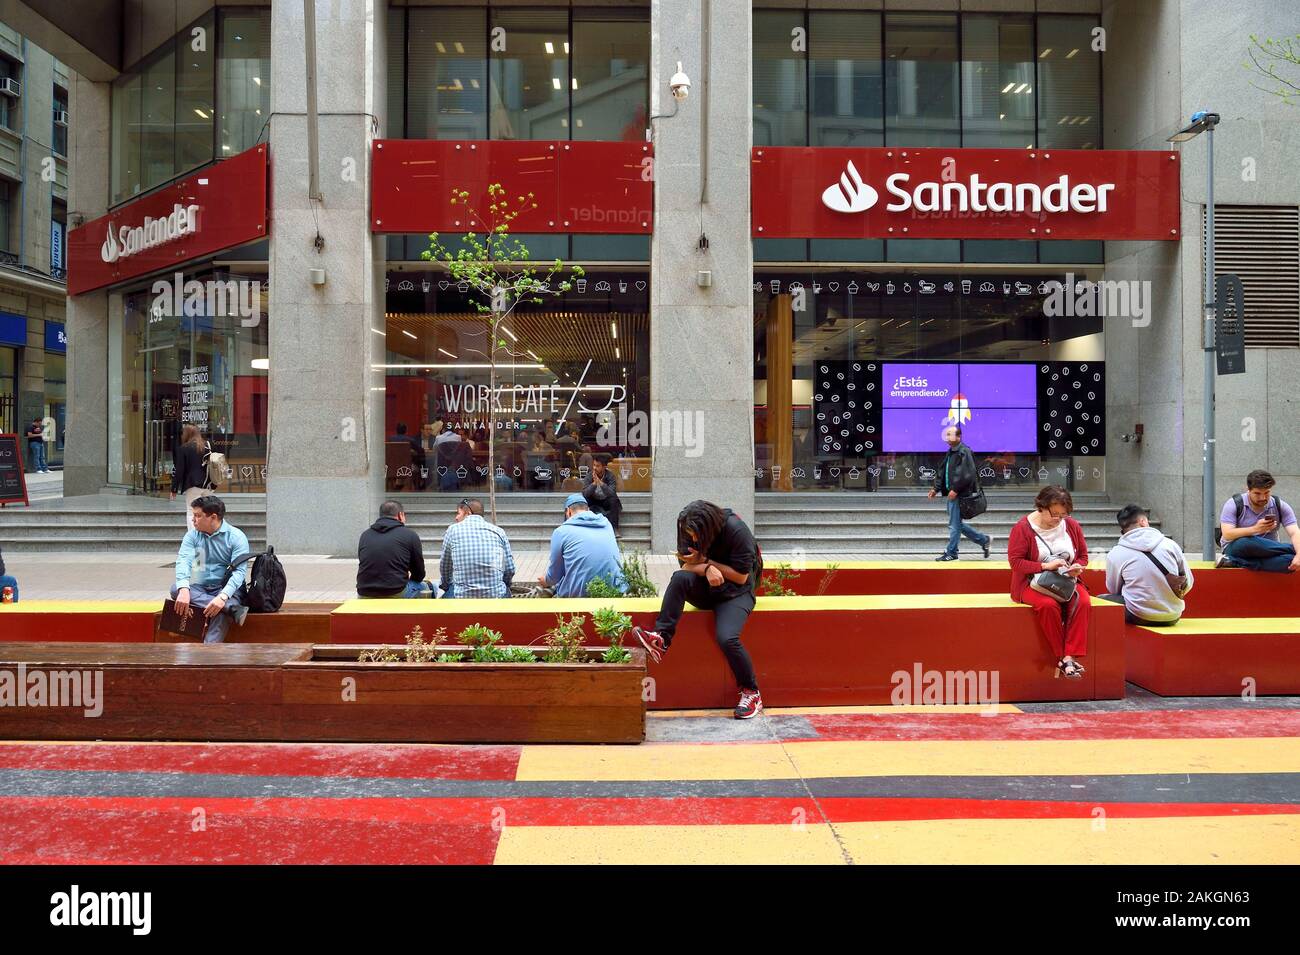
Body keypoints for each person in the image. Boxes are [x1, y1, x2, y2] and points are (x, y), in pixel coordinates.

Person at [631, 501, 765, 719]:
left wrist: (706, 561)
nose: (692, 539)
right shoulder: (687, 527)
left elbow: (742, 577)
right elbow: (685, 567)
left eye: (696, 534)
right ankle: (661, 638)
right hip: (707, 589)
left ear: (709, 526)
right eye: (689, 534)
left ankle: (751, 692)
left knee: (727, 638)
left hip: (736, 594)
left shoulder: (736, 530)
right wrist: (708, 568)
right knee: (680, 578)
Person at [1007, 485, 1091, 679]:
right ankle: (1061, 658)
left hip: (1066, 580)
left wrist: (1077, 566)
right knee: (1048, 605)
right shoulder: (1023, 528)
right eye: (1054, 514)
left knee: (1083, 602)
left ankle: (1069, 656)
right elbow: (1015, 562)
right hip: (1031, 583)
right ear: (1041, 507)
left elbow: (1083, 555)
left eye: (1062, 515)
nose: (1058, 520)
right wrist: (1046, 566)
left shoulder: (1071, 525)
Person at [170, 495, 250, 644]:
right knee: (176, 589)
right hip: (200, 587)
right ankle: (231, 609)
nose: (193, 520)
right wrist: (184, 589)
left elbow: (239, 573)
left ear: (213, 517)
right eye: (193, 515)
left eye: (198, 516)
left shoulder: (236, 537)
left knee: (219, 612)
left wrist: (222, 597)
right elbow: (183, 561)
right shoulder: (192, 535)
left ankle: (207, 654)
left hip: (226, 588)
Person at [1105, 504, 1194, 625]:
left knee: (1101, 600)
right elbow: (1188, 582)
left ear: (1123, 529)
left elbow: (1113, 589)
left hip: (1138, 615)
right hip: (1173, 615)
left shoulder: (1115, 553)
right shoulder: (1170, 545)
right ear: (1143, 521)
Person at [542, 493, 626, 597]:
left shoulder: (561, 532)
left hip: (580, 596)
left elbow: (554, 575)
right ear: (588, 510)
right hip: (615, 592)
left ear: (568, 511)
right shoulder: (606, 524)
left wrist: (545, 580)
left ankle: (553, 591)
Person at [1217, 469, 1300, 573]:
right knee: (1246, 542)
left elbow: (1294, 532)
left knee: (1292, 560)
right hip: (1238, 548)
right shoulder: (1234, 503)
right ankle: (1291, 549)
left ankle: (1237, 562)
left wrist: (1299, 555)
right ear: (1248, 489)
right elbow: (1227, 534)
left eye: (1267, 492)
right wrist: (1255, 529)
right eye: (1257, 493)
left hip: (1270, 552)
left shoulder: (1280, 505)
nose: (1263, 497)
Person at [927, 424, 990, 561]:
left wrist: (955, 489)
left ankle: (952, 553)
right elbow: (942, 472)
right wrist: (936, 489)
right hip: (953, 494)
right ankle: (983, 540)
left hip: (960, 495)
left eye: (950, 434)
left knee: (954, 525)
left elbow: (967, 474)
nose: (947, 437)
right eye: (947, 434)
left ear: (959, 436)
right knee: (956, 524)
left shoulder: (964, 451)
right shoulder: (951, 452)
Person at [439, 498, 515, 598]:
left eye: (458, 513)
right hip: (496, 596)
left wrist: (446, 585)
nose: (456, 517)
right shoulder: (498, 532)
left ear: (468, 513)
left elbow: (445, 567)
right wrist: (504, 583)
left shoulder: (452, 530)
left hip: (461, 597)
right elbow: (509, 569)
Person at [356, 500, 433, 598]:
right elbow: (419, 574)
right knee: (427, 587)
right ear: (400, 515)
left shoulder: (365, 535)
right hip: (396, 591)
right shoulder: (409, 535)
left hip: (364, 593)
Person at [174, 425, 210, 531]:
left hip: (193, 484)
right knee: (207, 511)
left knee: (191, 512)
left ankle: (193, 537)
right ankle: (207, 533)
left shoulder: (184, 448)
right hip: (208, 484)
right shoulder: (207, 446)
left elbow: (180, 470)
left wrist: (174, 488)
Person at [583, 453, 623, 533]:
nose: (594, 468)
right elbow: (585, 493)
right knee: (583, 499)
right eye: (594, 465)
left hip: (605, 501)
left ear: (604, 467)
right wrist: (594, 483)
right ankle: (584, 527)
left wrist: (600, 483)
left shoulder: (610, 476)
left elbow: (611, 493)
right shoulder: (589, 476)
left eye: (597, 466)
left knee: (614, 499)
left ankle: (614, 528)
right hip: (594, 500)